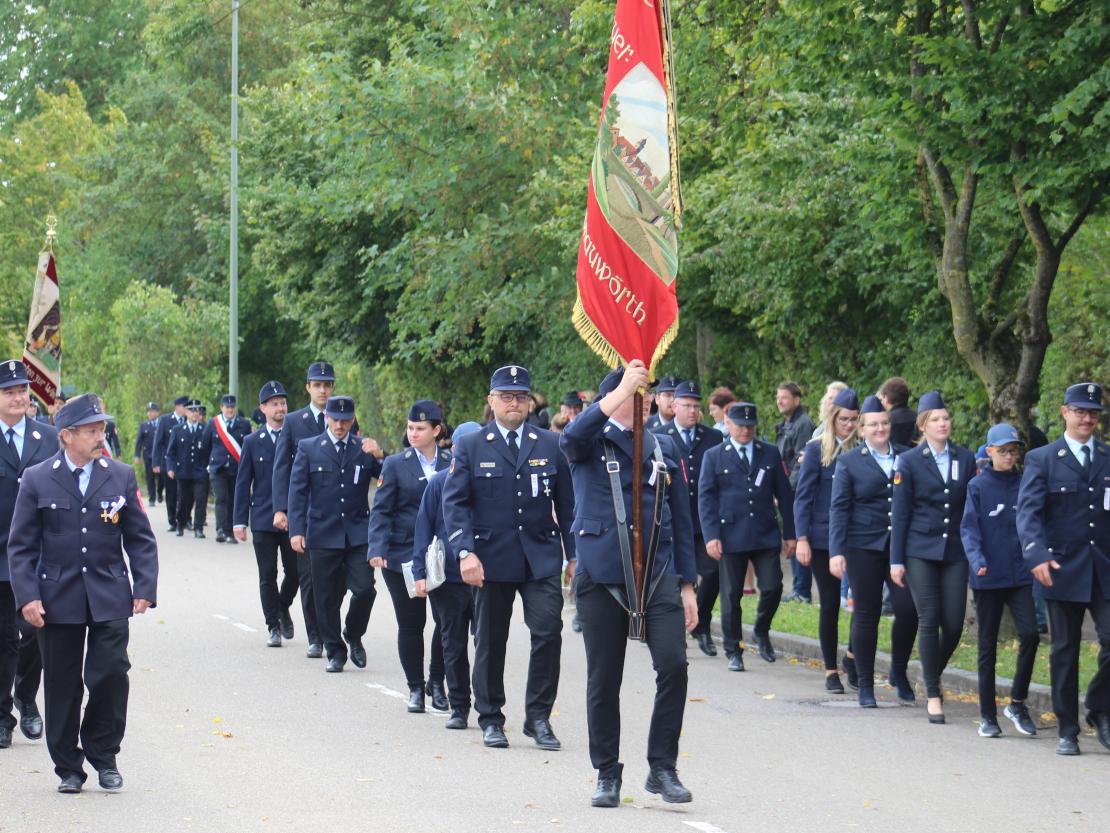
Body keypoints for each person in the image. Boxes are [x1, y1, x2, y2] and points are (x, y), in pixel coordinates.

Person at [560, 361, 697, 807]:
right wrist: (620, 390)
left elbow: (680, 518)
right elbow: (573, 434)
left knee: (674, 665)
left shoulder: (661, 445)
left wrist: (688, 584)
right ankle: (606, 772)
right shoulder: (589, 442)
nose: (641, 400)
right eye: (632, 393)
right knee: (604, 679)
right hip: (602, 575)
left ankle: (662, 766)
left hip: (656, 573)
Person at [7, 393, 157, 793]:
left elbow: (140, 538)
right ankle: (68, 766)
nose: (100, 436)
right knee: (61, 683)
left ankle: (103, 753)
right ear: (67, 436)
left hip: (109, 593)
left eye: (102, 428)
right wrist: (28, 596)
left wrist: (144, 586)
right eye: (92, 430)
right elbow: (20, 546)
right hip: (56, 597)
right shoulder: (38, 478)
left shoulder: (121, 474)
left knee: (110, 675)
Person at [441, 364, 575, 751]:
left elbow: (566, 505)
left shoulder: (550, 443)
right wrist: (464, 552)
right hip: (490, 557)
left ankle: (538, 718)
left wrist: (573, 555)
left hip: (540, 555)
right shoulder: (470, 445)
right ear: (491, 401)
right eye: (506, 396)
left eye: (520, 396)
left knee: (549, 632)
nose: (514, 403)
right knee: (490, 639)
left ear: (530, 401)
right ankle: (490, 717)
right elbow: (456, 504)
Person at [1017, 382, 1110, 756]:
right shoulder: (1043, 458)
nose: (1087, 418)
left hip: (1104, 567)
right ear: (1064, 412)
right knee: (1065, 650)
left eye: (1093, 413)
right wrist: (1036, 555)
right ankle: (1067, 728)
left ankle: (1100, 708)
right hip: (1060, 566)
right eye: (1080, 411)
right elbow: (1028, 513)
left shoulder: (1107, 455)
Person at [890, 390, 976, 725]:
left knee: (953, 623)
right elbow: (900, 514)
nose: (943, 423)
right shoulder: (909, 461)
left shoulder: (964, 458)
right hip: (919, 550)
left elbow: (972, 507)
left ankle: (930, 672)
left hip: (954, 549)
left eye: (946, 418)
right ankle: (934, 693)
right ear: (923, 425)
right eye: (936, 419)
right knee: (929, 616)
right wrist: (897, 559)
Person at [828, 395, 918, 707]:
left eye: (883, 423)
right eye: (872, 425)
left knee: (908, 608)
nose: (879, 429)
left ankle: (899, 671)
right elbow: (839, 508)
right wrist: (836, 551)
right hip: (862, 545)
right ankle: (865, 682)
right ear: (862, 430)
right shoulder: (850, 461)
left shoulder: (907, 457)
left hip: (900, 547)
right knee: (868, 613)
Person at [288, 395, 383, 673]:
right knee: (325, 597)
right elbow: (298, 492)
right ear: (327, 418)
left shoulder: (363, 449)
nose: (340, 425)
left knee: (365, 589)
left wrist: (381, 454)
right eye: (335, 419)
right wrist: (296, 530)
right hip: (321, 532)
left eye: (345, 420)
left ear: (352, 420)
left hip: (357, 534)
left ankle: (353, 633)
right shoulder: (309, 448)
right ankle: (335, 650)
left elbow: (389, 475)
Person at [367, 399, 451, 713]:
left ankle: (437, 684)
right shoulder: (395, 464)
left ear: (436, 430)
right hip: (402, 554)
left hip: (443, 556)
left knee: (446, 623)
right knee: (411, 623)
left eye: (420, 428)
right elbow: (381, 511)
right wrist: (376, 548)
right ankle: (415, 687)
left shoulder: (452, 461)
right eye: (410, 427)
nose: (413, 433)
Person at [699, 402, 796, 671]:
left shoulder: (769, 453)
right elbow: (706, 500)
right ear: (728, 425)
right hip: (730, 534)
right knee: (731, 595)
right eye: (740, 426)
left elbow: (785, 496)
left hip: (764, 532)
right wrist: (711, 536)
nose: (745, 431)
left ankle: (762, 630)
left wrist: (791, 533)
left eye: (750, 426)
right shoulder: (715, 455)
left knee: (773, 586)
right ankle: (733, 649)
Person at [960, 423, 1039, 739]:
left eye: (1013, 450)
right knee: (987, 646)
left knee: (1031, 634)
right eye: (1003, 450)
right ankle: (987, 715)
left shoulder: (1026, 483)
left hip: (1020, 574)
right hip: (988, 575)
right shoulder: (977, 487)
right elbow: (969, 530)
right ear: (989, 452)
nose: (1009, 456)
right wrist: (978, 561)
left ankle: (1017, 703)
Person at [0, 360, 57, 751]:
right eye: (9, 391)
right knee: (3, 636)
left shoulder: (49, 437)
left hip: (40, 554)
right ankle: (3, 715)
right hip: (1, 554)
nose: (19, 397)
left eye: (22, 390)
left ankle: (26, 697)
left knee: (37, 634)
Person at [412, 421, 483, 730]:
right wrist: (419, 573)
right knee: (452, 644)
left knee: (487, 643)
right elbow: (423, 529)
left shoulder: (491, 481)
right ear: (454, 448)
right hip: (449, 578)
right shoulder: (439, 482)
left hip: (484, 577)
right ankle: (459, 706)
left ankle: (487, 703)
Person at [793, 387, 860, 693]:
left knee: (864, 604)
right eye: (845, 419)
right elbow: (804, 497)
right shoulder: (817, 448)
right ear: (834, 418)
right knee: (831, 603)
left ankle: (852, 657)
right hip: (822, 538)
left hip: (857, 537)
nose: (849, 425)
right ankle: (831, 671)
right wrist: (802, 538)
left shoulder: (862, 450)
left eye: (854, 419)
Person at [271, 361, 336, 659]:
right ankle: (316, 636)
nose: (322, 390)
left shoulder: (342, 417)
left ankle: (331, 628)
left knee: (336, 579)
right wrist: (281, 509)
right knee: (309, 577)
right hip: (306, 513)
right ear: (308, 387)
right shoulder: (294, 422)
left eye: (327, 385)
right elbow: (281, 468)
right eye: (317, 385)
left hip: (337, 513)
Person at [655, 381, 723, 657]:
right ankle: (674, 627)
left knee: (712, 574)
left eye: (697, 406)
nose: (693, 411)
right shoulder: (658, 435)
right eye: (687, 405)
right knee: (674, 577)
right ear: (674, 406)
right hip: (672, 519)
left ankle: (702, 623)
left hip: (704, 518)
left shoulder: (713, 437)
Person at [233, 382, 301, 648]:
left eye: (283, 402)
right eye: (274, 403)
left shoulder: (298, 438)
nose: (280, 408)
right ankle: (272, 625)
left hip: (292, 517)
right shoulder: (252, 442)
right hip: (262, 517)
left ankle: (282, 605)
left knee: (295, 572)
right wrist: (239, 521)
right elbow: (242, 483)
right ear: (263, 409)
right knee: (267, 573)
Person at [775, 381, 814, 604]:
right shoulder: (786, 424)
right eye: (778, 397)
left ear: (796, 400)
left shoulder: (803, 424)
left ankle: (802, 590)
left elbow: (802, 462)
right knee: (791, 537)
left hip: (797, 490)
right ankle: (798, 587)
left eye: (785, 397)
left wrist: (786, 490)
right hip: (788, 490)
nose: (780, 401)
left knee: (800, 536)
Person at [204, 394, 252, 544]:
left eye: (232, 407)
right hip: (218, 469)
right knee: (221, 498)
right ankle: (220, 530)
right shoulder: (213, 423)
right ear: (221, 408)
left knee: (233, 500)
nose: (230, 410)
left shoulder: (243, 424)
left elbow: (248, 446)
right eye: (227, 407)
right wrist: (209, 464)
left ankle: (230, 531)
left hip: (236, 469)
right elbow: (206, 445)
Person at [164, 399, 209, 538]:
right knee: (184, 501)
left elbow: (210, 449)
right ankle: (180, 523)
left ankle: (199, 527)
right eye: (192, 410)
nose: (195, 413)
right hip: (183, 472)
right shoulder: (178, 430)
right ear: (186, 412)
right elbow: (171, 452)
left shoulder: (204, 429)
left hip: (200, 471)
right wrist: (170, 468)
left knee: (201, 500)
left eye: (197, 411)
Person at [152, 396, 187, 532]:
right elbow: (158, 442)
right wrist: (156, 463)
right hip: (169, 463)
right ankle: (172, 520)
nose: (186, 410)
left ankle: (184, 519)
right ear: (177, 407)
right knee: (171, 493)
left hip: (185, 464)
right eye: (184, 407)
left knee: (185, 493)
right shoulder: (165, 420)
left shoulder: (188, 420)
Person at [133, 402, 161, 505]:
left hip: (160, 456)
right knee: (150, 477)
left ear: (157, 413)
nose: (150, 414)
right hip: (148, 455)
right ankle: (152, 498)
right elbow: (139, 442)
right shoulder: (144, 425)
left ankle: (159, 492)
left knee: (161, 476)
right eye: (149, 412)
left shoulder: (161, 424)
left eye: (152, 411)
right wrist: (137, 455)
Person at [879, 377, 919, 447]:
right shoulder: (919, 418)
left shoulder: (884, 421)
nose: (881, 402)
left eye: (881, 399)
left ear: (886, 398)